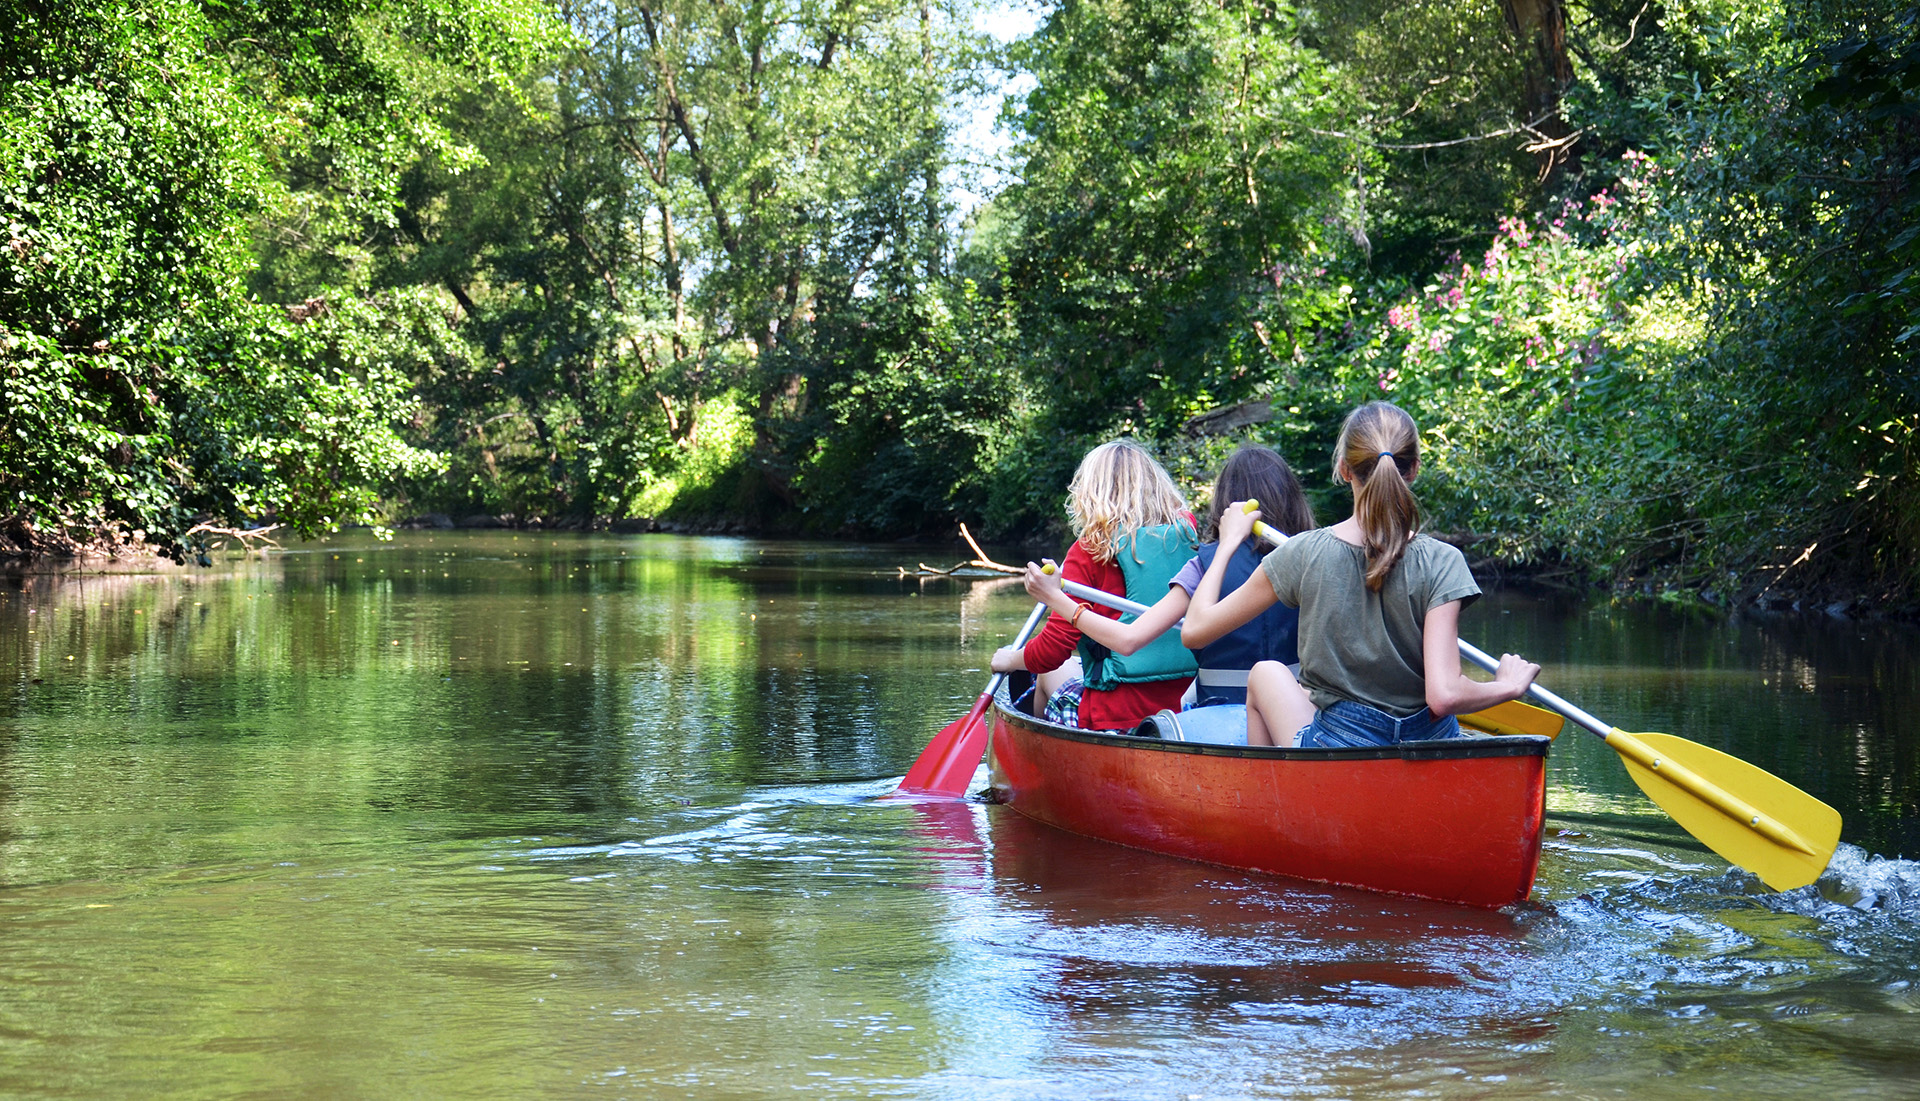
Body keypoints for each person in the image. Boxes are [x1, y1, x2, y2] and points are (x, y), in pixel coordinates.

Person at [1181, 402, 1541, 748]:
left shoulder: (1303, 552)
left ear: (1344, 469)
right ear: (1414, 468)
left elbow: (1196, 632)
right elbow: (1444, 695)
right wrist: (1505, 685)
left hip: (1339, 743)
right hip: (1427, 743)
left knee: (1265, 673)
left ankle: (1267, 798)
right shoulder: (1443, 561)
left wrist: (1227, 544)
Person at [1015, 444, 1315, 706]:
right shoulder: (1314, 562)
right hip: (1287, 708)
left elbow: (1127, 640)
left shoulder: (1203, 565)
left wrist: (1053, 598)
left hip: (1206, 711)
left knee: (1051, 674)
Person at [989, 439, 1197, 731]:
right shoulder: (1190, 539)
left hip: (1112, 717)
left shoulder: (1089, 551)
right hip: (1184, 713)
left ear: (1090, 493)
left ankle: (1035, 752)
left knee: (1049, 672)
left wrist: (1011, 658)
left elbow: (1051, 652)